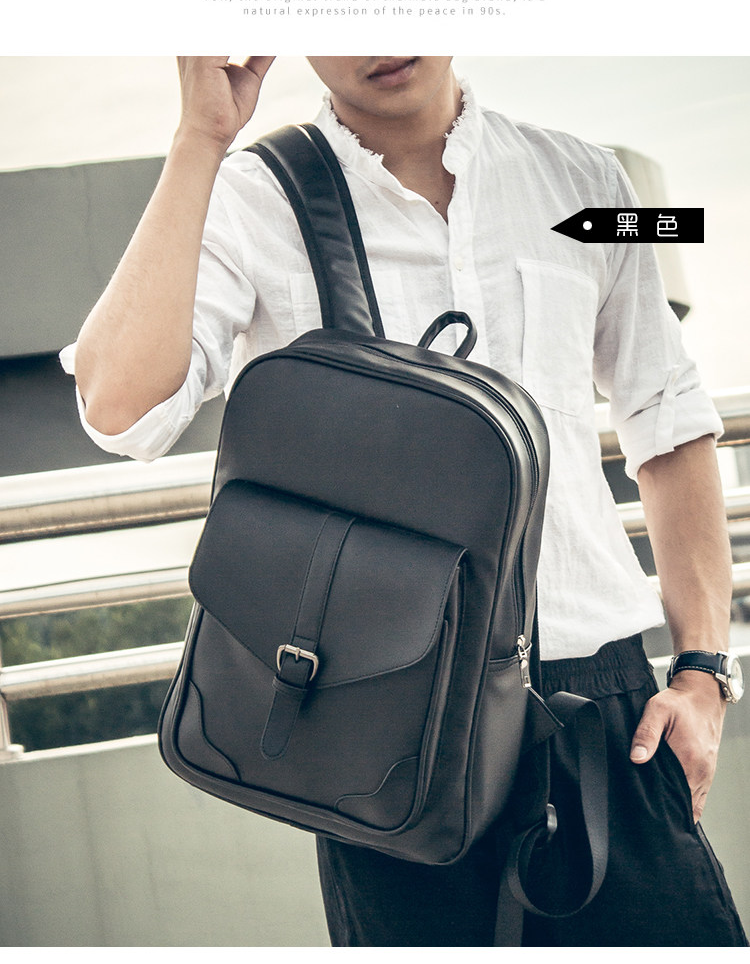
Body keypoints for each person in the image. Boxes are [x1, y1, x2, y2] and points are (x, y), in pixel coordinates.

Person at [61, 56, 747, 946]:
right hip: (378, 725)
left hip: (601, 710)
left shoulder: (588, 181)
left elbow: (669, 419)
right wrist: (199, 139)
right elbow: (121, 411)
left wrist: (703, 673)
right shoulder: (249, 197)